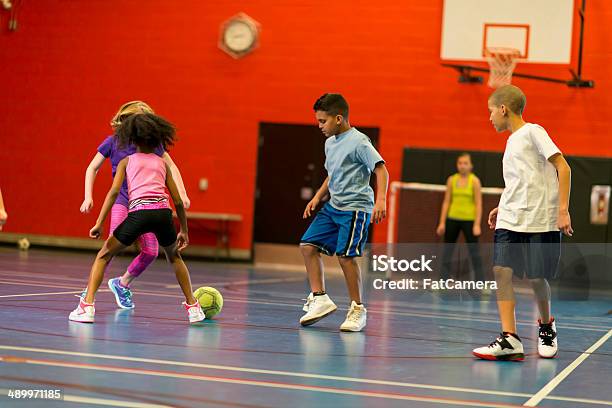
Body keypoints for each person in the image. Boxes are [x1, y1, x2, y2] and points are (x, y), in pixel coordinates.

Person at [69, 113, 204, 324]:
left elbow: (113, 193)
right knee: (175, 257)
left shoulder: (126, 161)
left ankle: (87, 307)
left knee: (104, 255)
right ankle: (193, 308)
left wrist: (99, 222)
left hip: (138, 214)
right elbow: (177, 201)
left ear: (131, 138)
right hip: (163, 215)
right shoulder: (162, 163)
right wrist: (184, 230)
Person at [473, 85, 572, 361]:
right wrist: (501, 205)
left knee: (536, 277)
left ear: (503, 108)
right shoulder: (510, 142)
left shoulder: (533, 132)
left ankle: (546, 326)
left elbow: (563, 167)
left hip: (539, 219)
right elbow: (520, 182)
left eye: (491, 111)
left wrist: (562, 210)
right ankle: (510, 338)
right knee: (501, 271)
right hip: (510, 217)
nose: (490, 117)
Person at [299, 93, 388, 332]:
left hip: (355, 208)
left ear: (338, 118)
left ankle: (357, 308)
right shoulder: (330, 142)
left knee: (345, 256)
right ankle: (320, 298)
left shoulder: (359, 142)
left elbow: (380, 169)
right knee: (308, 246)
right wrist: (318, 197)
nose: (319, 126)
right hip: (333, 206)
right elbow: (333, 173)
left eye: (322, 121)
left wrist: (380, 200)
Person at [436, 153, 485, 284]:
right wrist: (442, 223)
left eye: (465, 163)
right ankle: (442, 282)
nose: (462, 166)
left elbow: (479, 203)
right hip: (452, 219)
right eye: (460, 163)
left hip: (469, 221)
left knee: (474, 253)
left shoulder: (475, 181)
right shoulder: (451, 180)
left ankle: (482, 283)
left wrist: (477, 224)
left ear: (471, 166)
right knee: (447, 251)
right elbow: (446, 202)